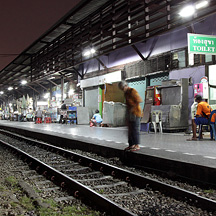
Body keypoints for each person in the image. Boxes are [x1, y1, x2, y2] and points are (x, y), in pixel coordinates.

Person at [118, 81, 142, 151]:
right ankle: (131, 144)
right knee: (130, 130)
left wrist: (132, 107)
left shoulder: (132, 91)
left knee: (135, 129)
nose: (122, 90)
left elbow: (138, 100)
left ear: (125, 86)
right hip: (129, 113)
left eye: (123, 88)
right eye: (121, 89)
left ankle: (137, 145)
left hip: (135, 112)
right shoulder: (126, 93)